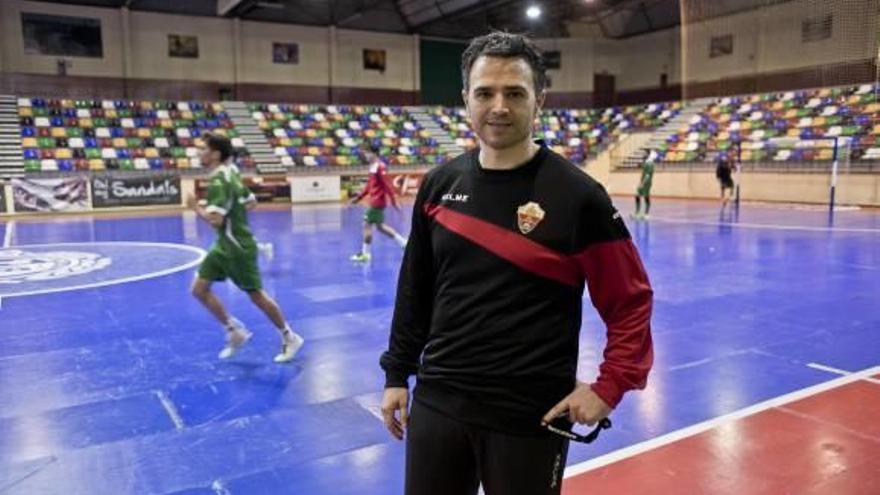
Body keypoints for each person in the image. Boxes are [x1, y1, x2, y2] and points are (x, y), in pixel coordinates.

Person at [379, 32, 654, 495]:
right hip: (440, 402)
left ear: (539, 100)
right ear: (466, 99)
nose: (499, 106)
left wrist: (609, 387)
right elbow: (416, 289)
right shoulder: (439, 187)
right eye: (485, 93)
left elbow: (631, 301)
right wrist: (396, 372)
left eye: (514, 93)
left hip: (530, 415)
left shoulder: (578, 197)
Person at [186, 133, 304, 363]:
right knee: (199, 289)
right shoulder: (232, 172)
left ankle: (290, 337)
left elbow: (215, 220)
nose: (200, 153)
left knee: (257, 296)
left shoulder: (220, 180)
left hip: (236, 248)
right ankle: (234, 331)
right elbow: (251, 202)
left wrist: (194, 207)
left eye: (203, 149)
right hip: (223, 245)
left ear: (216, 153)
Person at [349, 150, 407, 262]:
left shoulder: (380, 167)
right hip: (375, 201)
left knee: (366, 225)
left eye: (368, 153)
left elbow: (387, 186)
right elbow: (369, 186)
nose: (366, 156)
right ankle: (403, 243)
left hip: (377, 202)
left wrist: (394, 202)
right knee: (380, 227)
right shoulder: (373, 167)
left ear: (374, 154)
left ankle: (365, 254)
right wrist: (359, 198)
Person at [631, 155, 655, 220]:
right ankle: (637, 212)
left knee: (646, 196)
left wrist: (643, 183)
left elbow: (648, 175)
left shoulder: (650, 164)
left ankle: (646, 214)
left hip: (646, 183)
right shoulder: (646, 164)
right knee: (637, 196)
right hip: (643, 182)